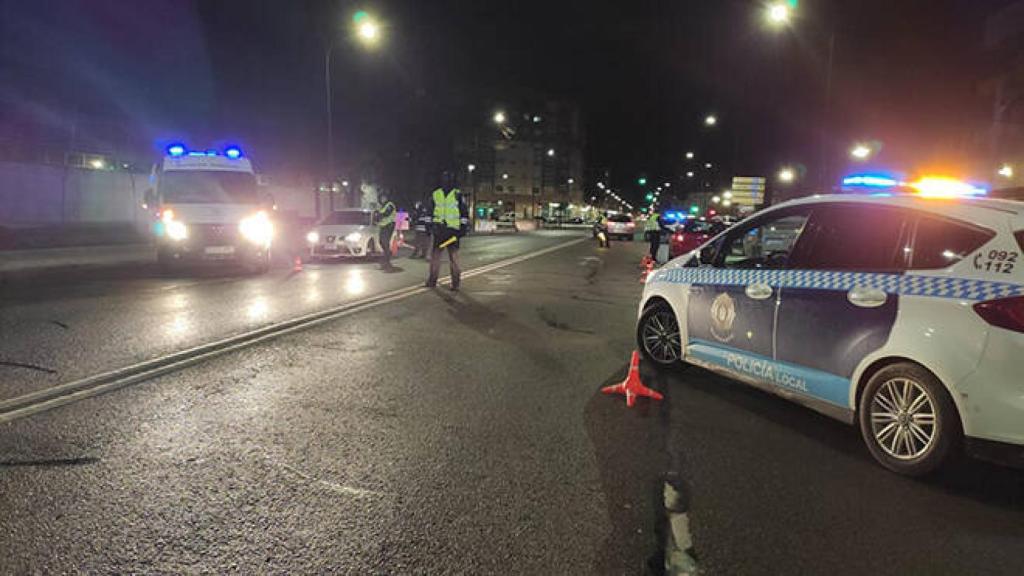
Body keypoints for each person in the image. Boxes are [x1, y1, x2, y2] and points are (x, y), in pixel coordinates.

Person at [423, 172, 469, 291]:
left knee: (451, 258)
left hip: (452, 232)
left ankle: (454, 283)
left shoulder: (457, 195)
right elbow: (430, 212)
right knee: (436, 257)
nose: (446, 181)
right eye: (445, 179)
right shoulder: (436, 194)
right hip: (440, 230)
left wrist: (463, 228)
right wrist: (428, 226)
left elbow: (464, 213)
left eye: (448, 179)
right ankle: (433, 280)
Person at [377, 193, 397, 270]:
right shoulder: (382, 206)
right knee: (381, 242)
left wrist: (379, 215)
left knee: (385, 242)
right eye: (381, 198)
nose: (382, 199)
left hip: (389, 225)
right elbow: (379, 215)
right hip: (383, 226)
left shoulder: (389, 205)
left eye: (383, 198)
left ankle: (387, 261)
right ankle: (386, 257)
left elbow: (386, 213)